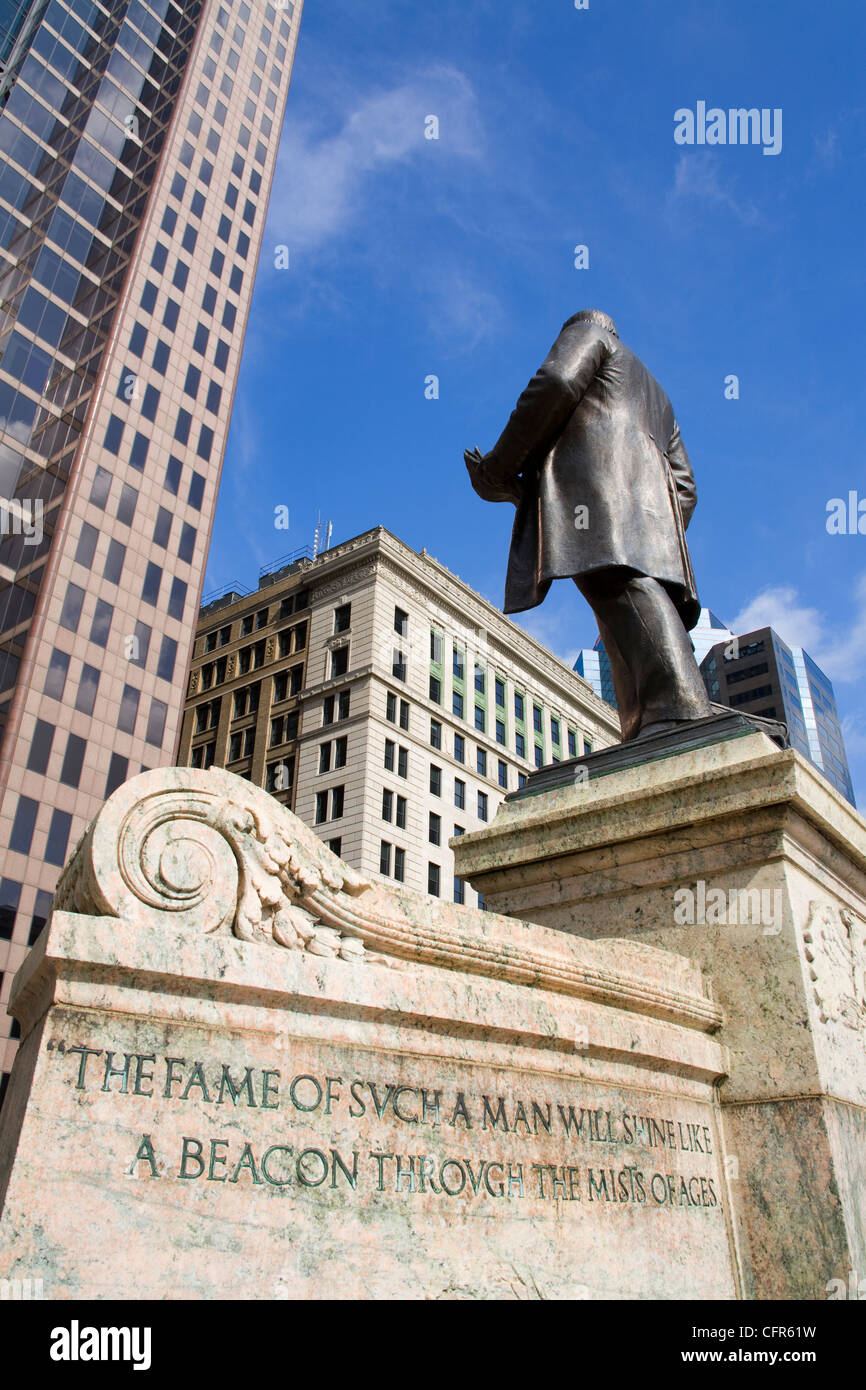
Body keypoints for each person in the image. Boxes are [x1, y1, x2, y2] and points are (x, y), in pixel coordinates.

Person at [465, 309, 711, 742]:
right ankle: (647, 723)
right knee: (617, 605)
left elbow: (557, 383)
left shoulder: (589, 332)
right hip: (648, 517)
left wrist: (498, 467)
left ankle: (679, 709)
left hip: (594, 491)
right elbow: (686, 486)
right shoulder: (660, 398)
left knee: (615, 584)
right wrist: (653, 529)